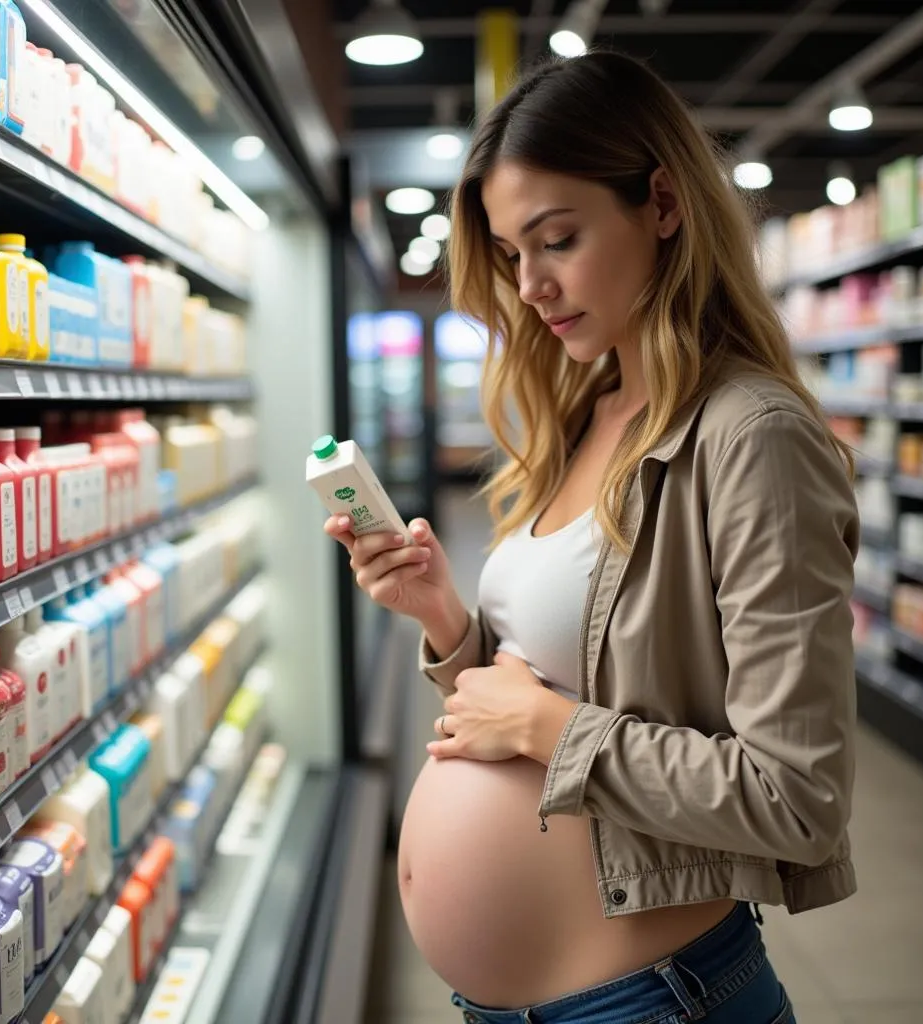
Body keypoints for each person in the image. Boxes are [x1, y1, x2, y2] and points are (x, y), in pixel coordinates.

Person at [325, 50, 858, 1024]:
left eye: (556, 239)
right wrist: (444, 619)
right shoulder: (585, 410)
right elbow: (544, 682)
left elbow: (797, 796)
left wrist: (543, 727)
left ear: (660, 203)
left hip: (654, 1001)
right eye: (508, 253)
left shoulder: (753, 437)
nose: (528, 285)